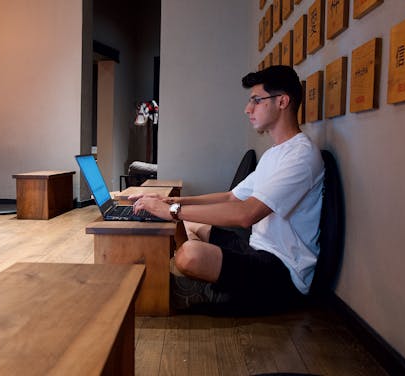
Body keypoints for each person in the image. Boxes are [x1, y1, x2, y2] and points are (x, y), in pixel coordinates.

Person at [132, 65, 324, 314]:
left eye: (256, 100)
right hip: (255, 247)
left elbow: (246, 214)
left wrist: (174, 211)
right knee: (193, 226)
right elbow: (231, 196)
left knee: (190, 254)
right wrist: (170, 202)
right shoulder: (274, 154)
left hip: (282, 271)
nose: (248, 109)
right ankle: (209, 284)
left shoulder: (301, 156)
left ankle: (211, 289)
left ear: (282, 101)